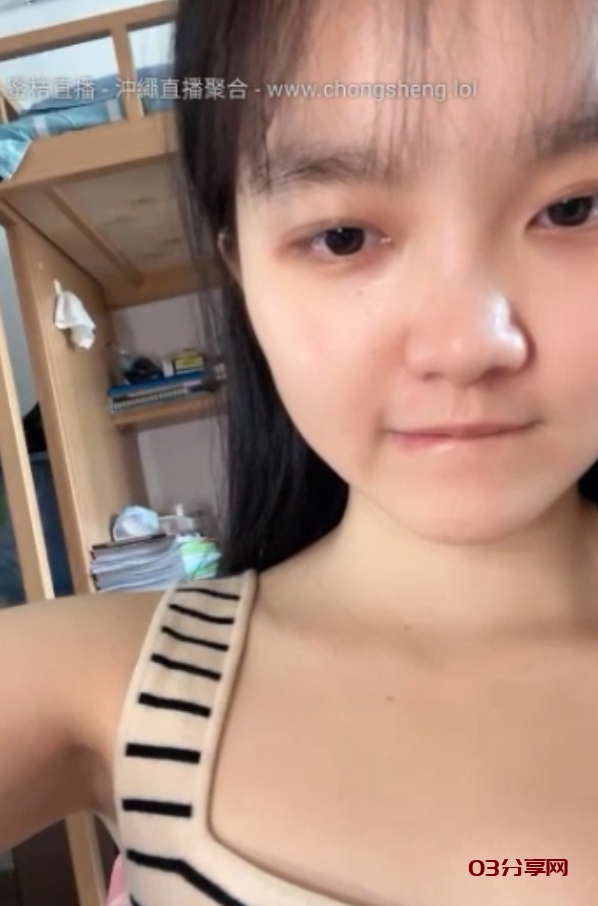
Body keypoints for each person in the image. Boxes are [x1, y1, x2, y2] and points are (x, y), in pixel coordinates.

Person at [2, 0, 598, 903]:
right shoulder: (90, 680)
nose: (468, 345)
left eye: (574, 209)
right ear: (242, 270)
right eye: (343, 236)